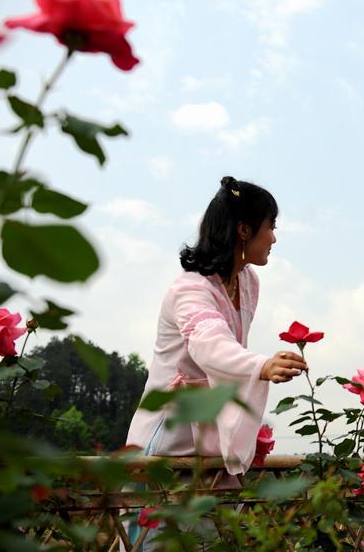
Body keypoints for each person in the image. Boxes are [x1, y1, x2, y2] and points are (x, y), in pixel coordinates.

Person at [126, 176, 308, 475]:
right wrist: (261, 366)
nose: (274, 238)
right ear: (244, 230)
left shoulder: (248, 283)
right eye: (271, 227)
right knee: (161, 519)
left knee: (214, 519)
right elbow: (208, 344)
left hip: (209, 438)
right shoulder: (190, 289)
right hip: (168, 439)